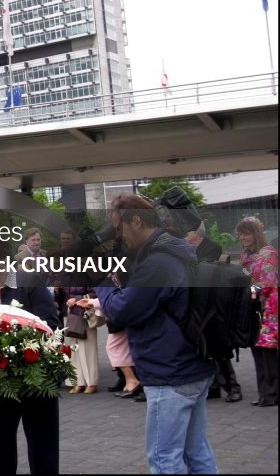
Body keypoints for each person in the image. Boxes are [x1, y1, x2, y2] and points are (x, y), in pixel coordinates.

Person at [94, 194, 217, 474]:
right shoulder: (172, 249)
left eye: (119, 228)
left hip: (170, 371)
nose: (119, 236)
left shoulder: (158, 261)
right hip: (191, 363)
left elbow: (124, 311)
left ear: (135, 221)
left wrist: (101, 283)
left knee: (164, 460)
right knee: (197, 453)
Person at [0, 240, 61, 475]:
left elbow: (51, 324)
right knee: (0, 444)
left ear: (1, 258)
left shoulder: (29, 281)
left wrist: (17, 339)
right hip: (1, 380)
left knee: (43, 445)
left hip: (36, 378)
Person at [185, 226, 241, 402]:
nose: (184, 237)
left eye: (186, 233)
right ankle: (214, 386)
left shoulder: (212, 247)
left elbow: (205, 269)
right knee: (204, 347)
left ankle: (232, 387)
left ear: (195, 233)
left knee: (218, 347)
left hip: (213, 303)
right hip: (199, 303)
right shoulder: (188, 249)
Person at [236, 217, 278, 407]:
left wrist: (248, 290)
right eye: (240, 234)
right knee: (256, 350)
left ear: (256, 234)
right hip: (253, 307)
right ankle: (264, 393)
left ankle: (271, 393)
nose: (242, 237)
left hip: (268, 308)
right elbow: (246, 277)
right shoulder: (246, 254)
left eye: (246, 233)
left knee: (267, 352)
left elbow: (267, 284)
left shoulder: (268, 254)